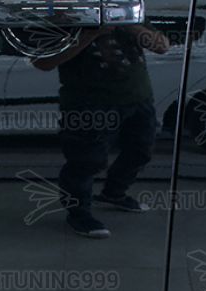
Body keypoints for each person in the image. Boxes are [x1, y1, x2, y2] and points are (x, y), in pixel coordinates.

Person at [33, 24, 170, 239]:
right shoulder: (65, 18)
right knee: (86, 161)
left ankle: (114, 193)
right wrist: (91, 35)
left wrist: (126, 24)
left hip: (138, 98)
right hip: (88, 104)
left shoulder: (128, 12)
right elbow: (43, 62)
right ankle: (78, 213)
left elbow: (161, 46)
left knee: (141, 150)